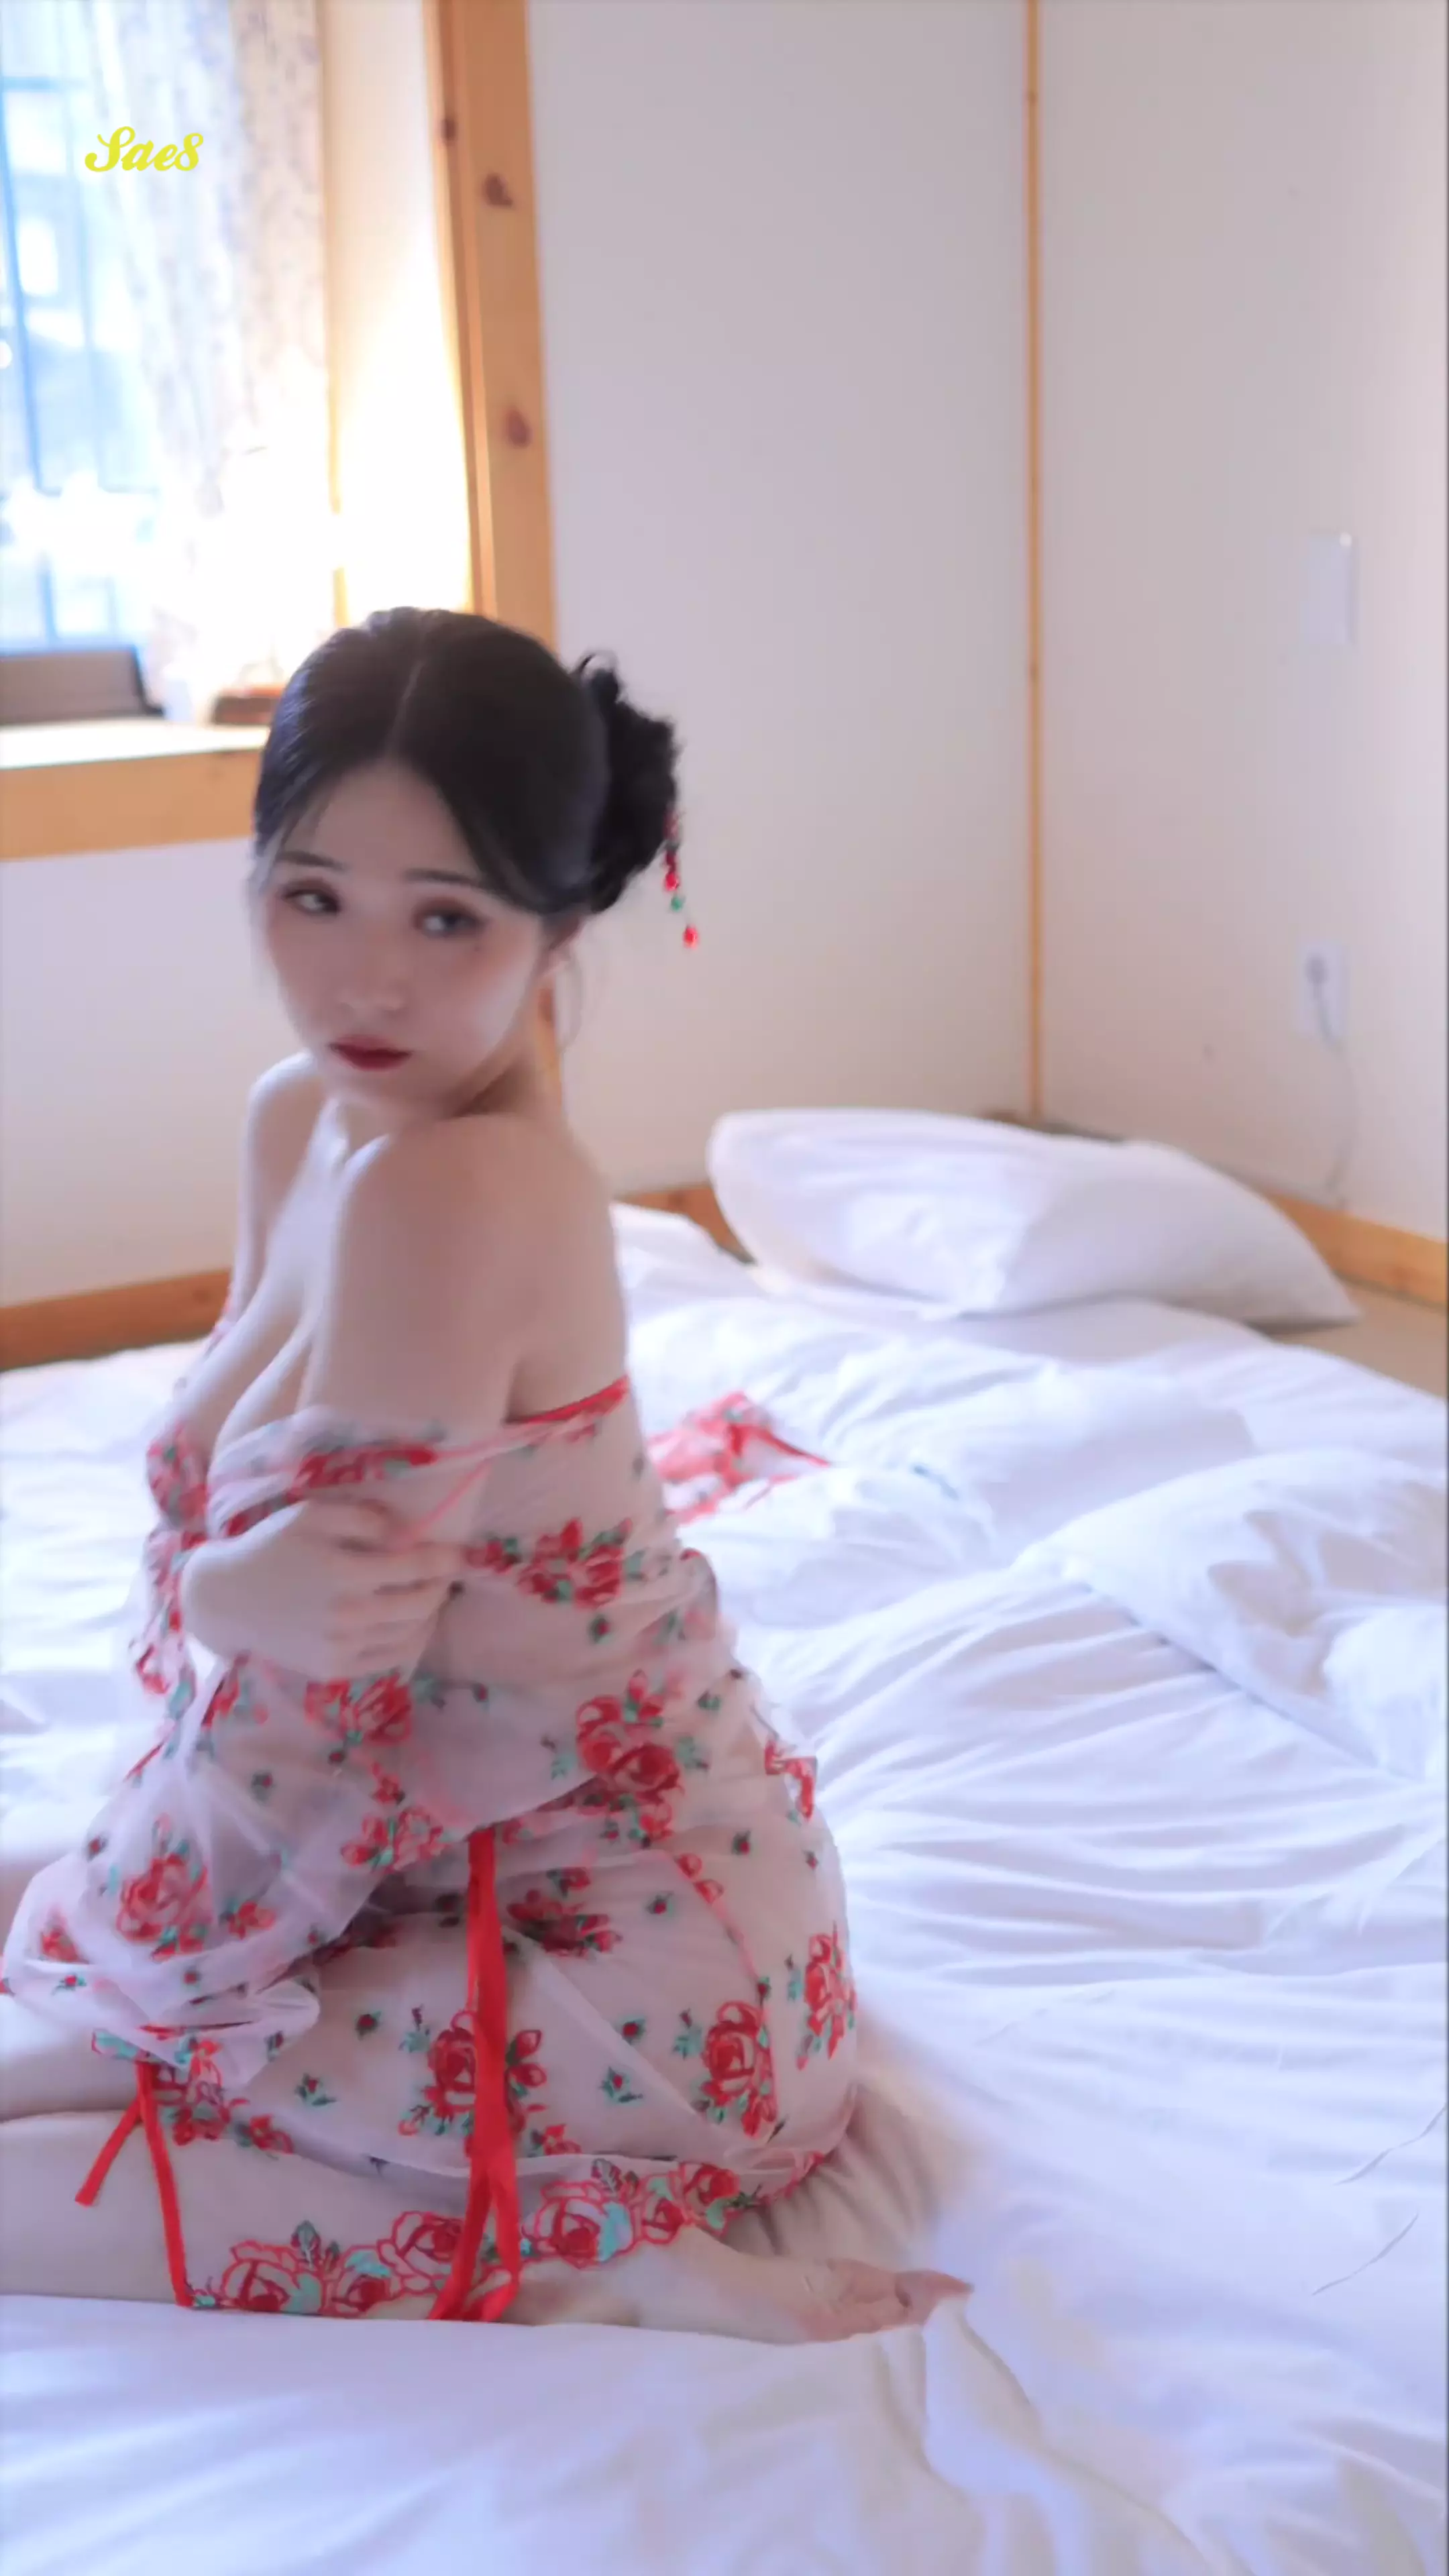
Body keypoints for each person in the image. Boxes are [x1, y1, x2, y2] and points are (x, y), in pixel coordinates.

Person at [0, 609, 961, 2338]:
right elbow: (273, 1630)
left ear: (558, 926)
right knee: (56, 1947)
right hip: (411, 1864)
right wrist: (216, 1606)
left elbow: (309, 1724)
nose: (365, 981)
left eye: (445, 918)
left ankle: (595, 2249)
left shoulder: (456, 1192)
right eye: (314, 897)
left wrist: (114, 1957)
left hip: (625, 1963)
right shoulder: (302, 1118)